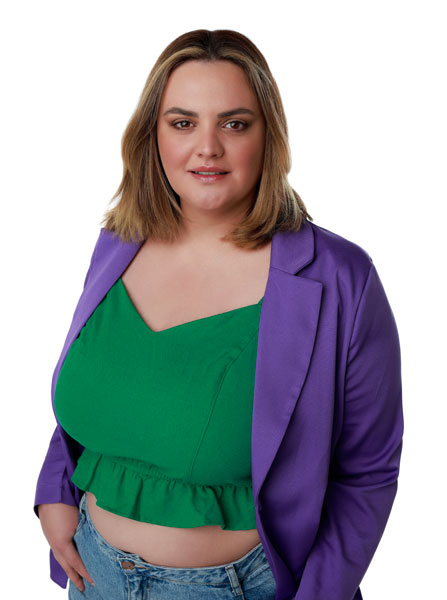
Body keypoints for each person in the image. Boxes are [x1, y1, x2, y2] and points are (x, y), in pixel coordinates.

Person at [34, 29, 404, 600]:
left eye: (234, 123)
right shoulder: (118, 243)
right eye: (183, 122)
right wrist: (56, 492)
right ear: (152, 135)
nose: (207, 147)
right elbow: (102, 389)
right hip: (95, 575)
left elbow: (367, 473)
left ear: (268, 135)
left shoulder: (339, 278)